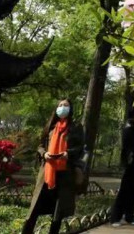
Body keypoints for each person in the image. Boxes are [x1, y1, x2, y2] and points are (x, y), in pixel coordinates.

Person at [22, 98, 84, 234]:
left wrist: (68, 154)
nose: (62, 107)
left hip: (65, 173)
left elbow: (80, 147)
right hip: (47, 172)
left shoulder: (76, 127)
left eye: (66, 105)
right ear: (56, 109)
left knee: (58, 211)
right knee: (34, 209)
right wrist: (44, 154)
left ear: (71, 109)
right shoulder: (50, 126)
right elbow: (40, 146)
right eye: (60, 105)